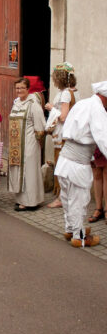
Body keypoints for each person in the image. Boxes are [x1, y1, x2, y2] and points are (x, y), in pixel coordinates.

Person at [55, 81, 107, 247]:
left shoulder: (83, 103)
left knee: (68, 197)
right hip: (77, 163)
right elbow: (103, 137)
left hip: (65, 159)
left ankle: (70, 229)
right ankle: (80, 237)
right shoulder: (97, 109)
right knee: (79, 200)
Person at [8, 78, 46, 210]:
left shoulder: (33, 104)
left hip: (29, 143)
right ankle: (21, 199)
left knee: (29, 172)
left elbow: (40, 126)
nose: (19, 91)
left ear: (28, 89)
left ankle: (31, 201)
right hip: (16, 144)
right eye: (17, 88)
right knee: (19, 171)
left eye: (22, 88)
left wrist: (37, 142)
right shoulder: (16, 103)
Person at [44, 62, 77, 208]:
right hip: (68, 134)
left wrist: (51, 108)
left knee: (61, 166)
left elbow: (64, 116)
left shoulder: (65, 93)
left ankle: (61, 197)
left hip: (63, 134)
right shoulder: (74, 91)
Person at [88, 146, 107, 223]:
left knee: (106, 173)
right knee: (96, 174)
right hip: (95, 141)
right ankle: (98, 208)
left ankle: (106, 208)